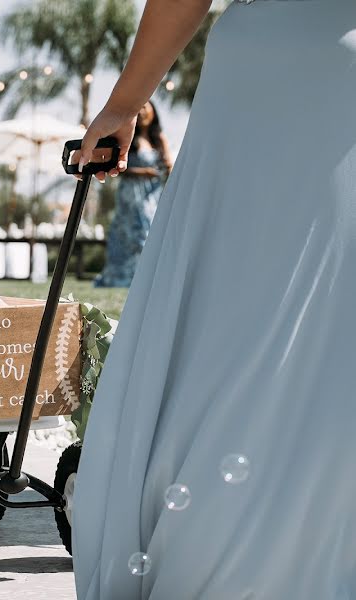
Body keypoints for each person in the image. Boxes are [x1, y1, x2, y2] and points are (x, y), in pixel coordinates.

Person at [69, 0, 356, 598]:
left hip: (264, 61)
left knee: (229, 318)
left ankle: (215, 545)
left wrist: (125, 104)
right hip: (330, 67)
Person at [94, 101, 173, 288]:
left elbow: (167, 165)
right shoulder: (128, 139)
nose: (143, 112)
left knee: (147, 233)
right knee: (126, 235)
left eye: (146, 108)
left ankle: (146, 278)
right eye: (139, 108)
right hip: (130, 196)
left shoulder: (159, 139)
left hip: (151, 196)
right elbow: (119, 168)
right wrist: (143, 172)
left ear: (154, 112)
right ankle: (123, 277)